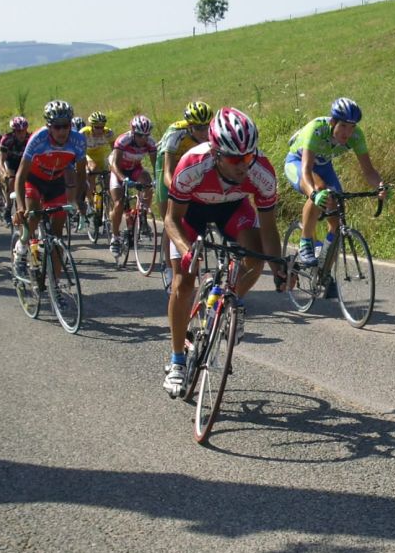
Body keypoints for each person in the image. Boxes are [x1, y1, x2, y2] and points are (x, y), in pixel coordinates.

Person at [161, 107, 286, 396]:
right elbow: (171, 219)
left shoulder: (262, 171)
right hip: (191, 212)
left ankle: (232, 302)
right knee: (184, 281)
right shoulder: (193, 163)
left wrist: (279, 268)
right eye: (234, 159)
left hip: (233, 208)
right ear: (216, 153)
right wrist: (187, 251)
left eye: (248, 157)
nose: (243, 166)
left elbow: (268, 229)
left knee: (255, 259)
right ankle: (177, 360)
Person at [283, 97, 387, 269]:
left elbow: (369, 171)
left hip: (324, 167)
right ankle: (306, 241)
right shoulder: (317, 129)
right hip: (298, 163)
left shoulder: (356, 136)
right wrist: (314, 194)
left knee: (337, 217)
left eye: (352, 127)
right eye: (344, 126)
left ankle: (324, 274)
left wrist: (380, 186)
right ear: (333, 122)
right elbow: (307, 170)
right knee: (320, 189)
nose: (348, 132)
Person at [12, 100, 87, 275]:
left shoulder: (78, 141)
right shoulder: (38, 139)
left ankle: (56, 284)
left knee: (57, 235)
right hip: (34, 180)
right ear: (49, 126)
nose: (62, 131)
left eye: (66, 126)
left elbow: (81, 174)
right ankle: (21, 248)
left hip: (56, 182)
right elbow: (20, 175)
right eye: (57, 127)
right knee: (33, 214)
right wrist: (20, 207)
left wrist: (79, 199)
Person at [155, 101, 214, 288]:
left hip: (192, 165)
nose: (204, 132)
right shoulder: (175, 133)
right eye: (198, 128)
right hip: (169, 165)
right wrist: (179, 191)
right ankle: (168, 267)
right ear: (189, 126)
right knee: (170, 216)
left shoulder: (213, 133)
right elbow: (168, 173)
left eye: (206, 127)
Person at [107, 115, 157, 257]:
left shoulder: (150, 143)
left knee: (147, 181)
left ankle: (142, 215)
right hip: (118, 169)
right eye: (140, 135)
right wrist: (124, 179)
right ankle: (115, 238)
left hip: (134, 168)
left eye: (146, 135)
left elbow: (156, 166)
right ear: (134, 132)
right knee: (119, 203)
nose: (143, 139)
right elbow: (115, 165)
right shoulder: (123, 140)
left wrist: (158, 180)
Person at [79, 110, 114, 218]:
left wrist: (113, 165)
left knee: (109, 181)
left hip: (100, 158)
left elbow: (115, 150)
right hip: (87, 155)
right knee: (93, 170)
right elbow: (79, 151)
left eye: (102, 127)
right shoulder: (84, 133)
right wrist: (85, 166)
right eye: (97, 127)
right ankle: (89, 201)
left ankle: (107, 210)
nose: (100, 130)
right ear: (91, 126)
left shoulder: (108, 133)